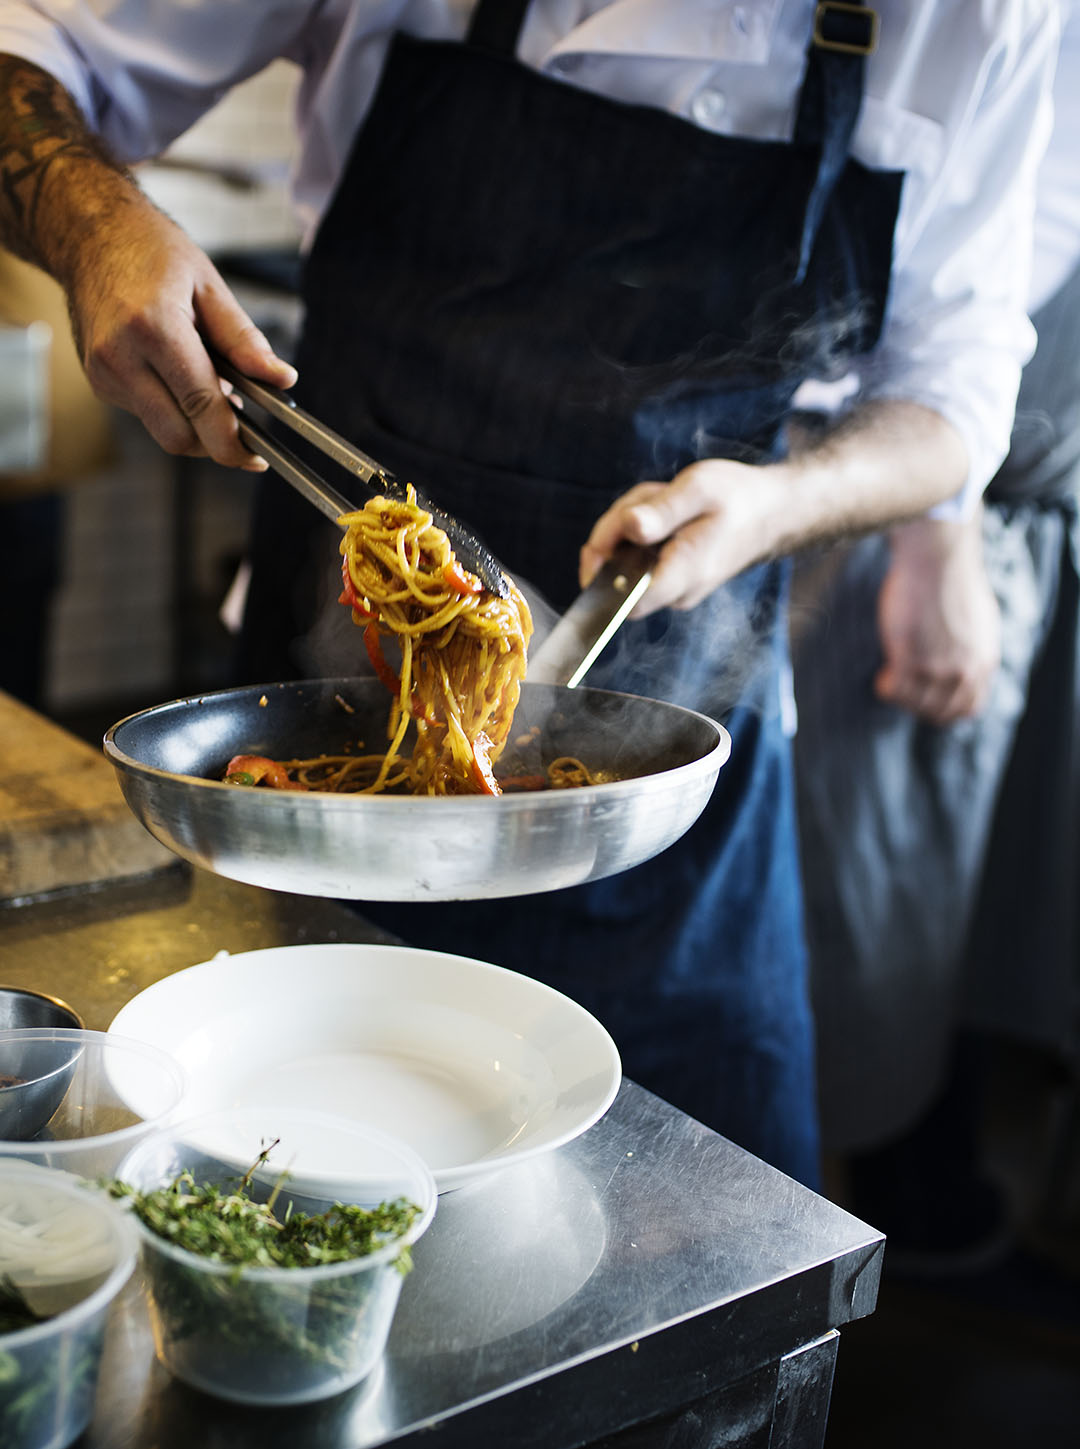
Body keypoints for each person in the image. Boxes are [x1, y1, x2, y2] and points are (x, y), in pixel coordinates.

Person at [0, 1, 1060, 1190]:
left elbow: (953, 394)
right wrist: (99, 229)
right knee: (281, 1187)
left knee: (711, 1231)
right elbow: (34, 53)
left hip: (667, 786)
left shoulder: (981, 16)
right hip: (317, 763)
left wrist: (774, 506)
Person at [792, 2, 1080, 1253]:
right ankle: (856, 1221)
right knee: (867, 916)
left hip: (1003, 496)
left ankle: (916, 1199)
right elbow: (990, 259)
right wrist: (937, 534)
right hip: (896, 501)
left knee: (958, 892)